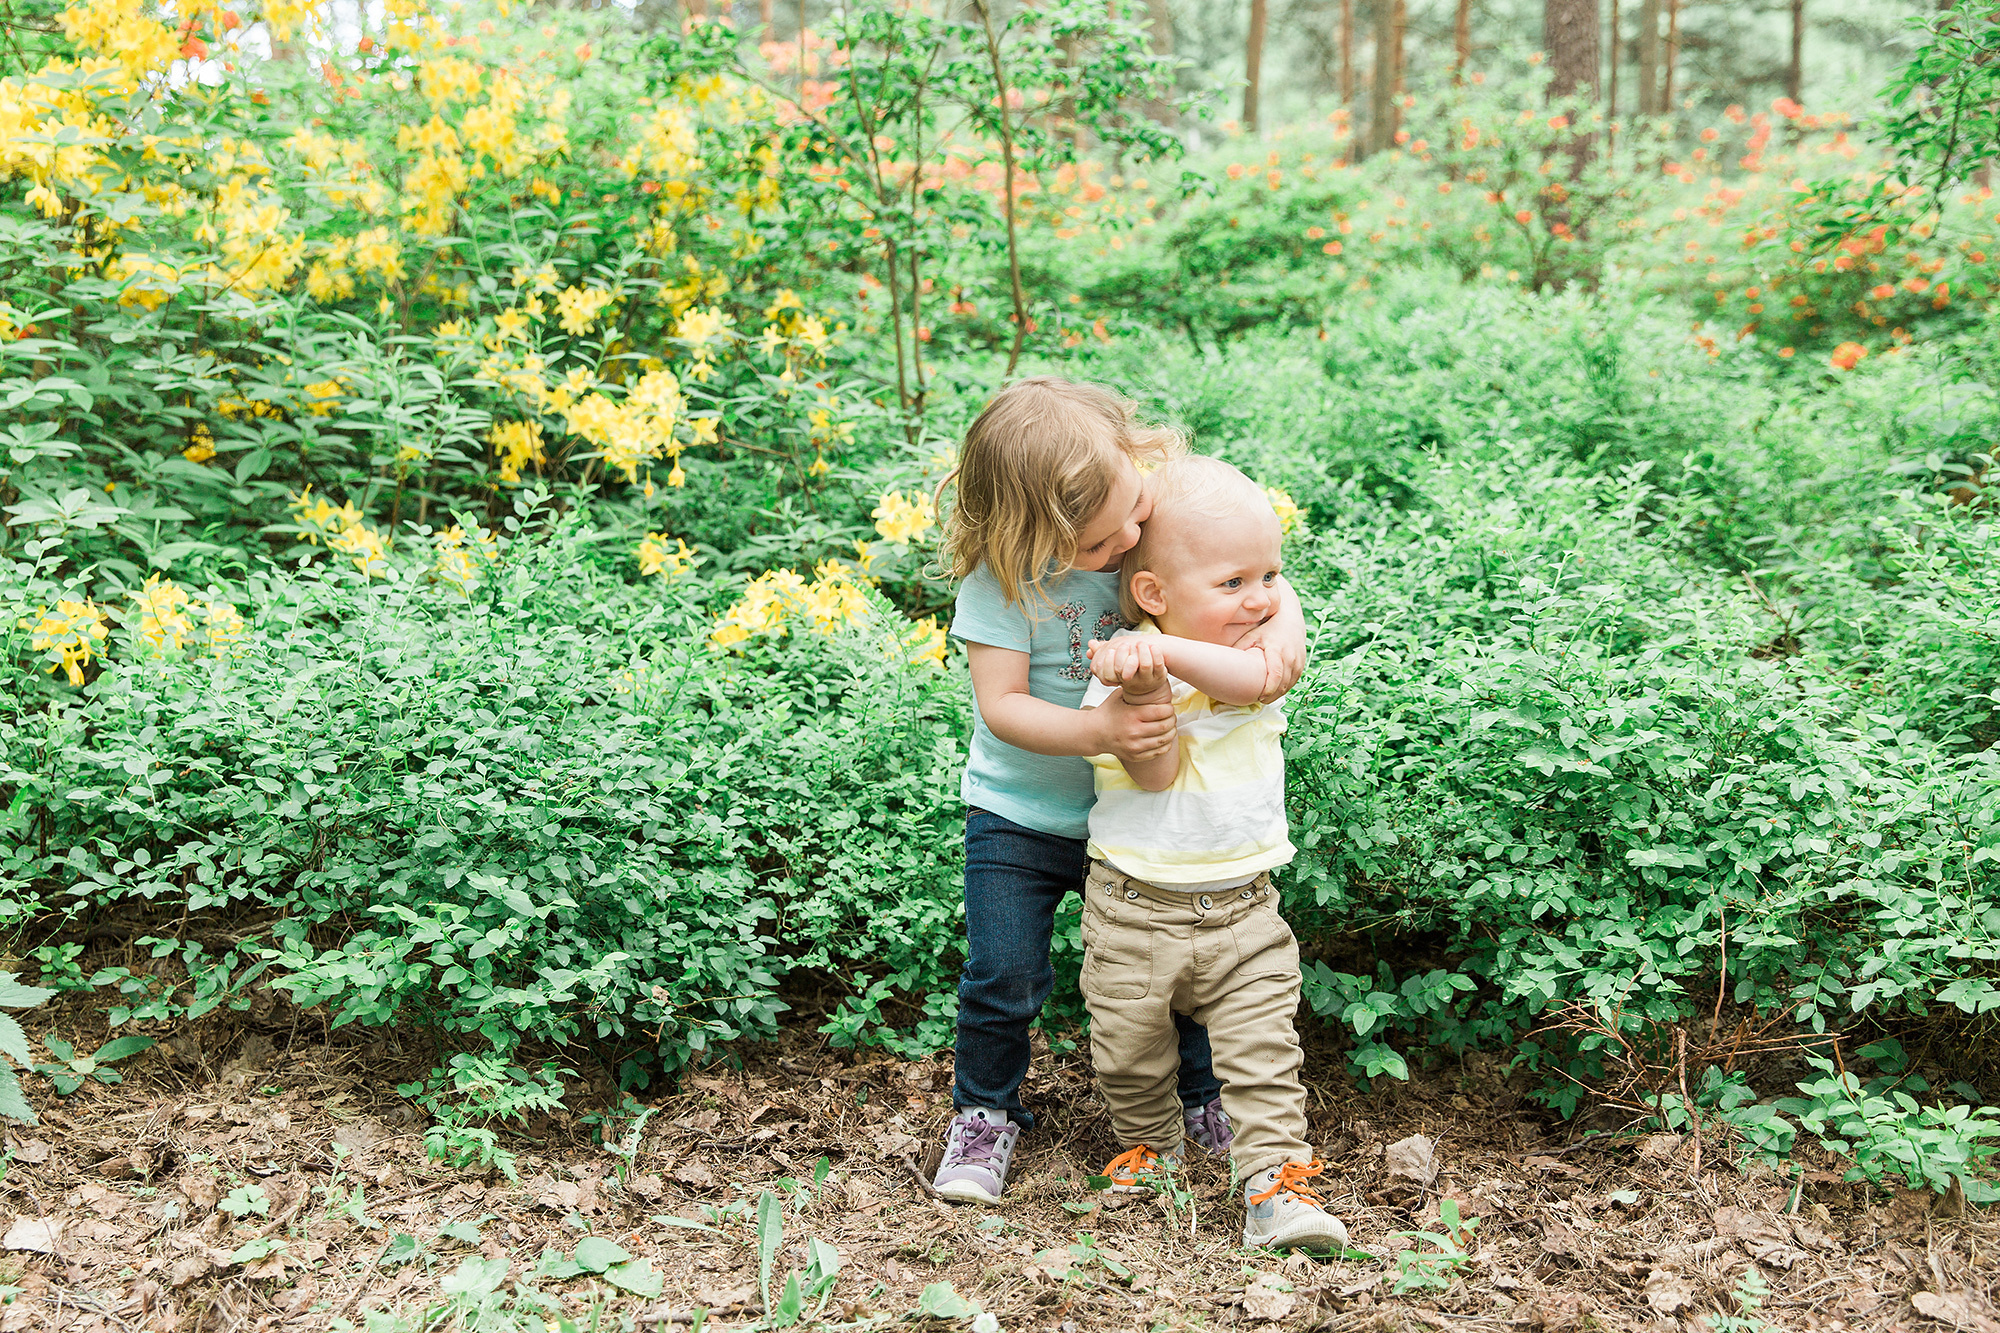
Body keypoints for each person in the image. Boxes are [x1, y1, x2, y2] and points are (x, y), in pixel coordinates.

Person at [931, 378, 1310, 1206]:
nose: (1136, 537)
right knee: (1004, 969)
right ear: (1043, 536)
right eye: (1110, 541)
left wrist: (1280, 625)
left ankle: (1199, 1096)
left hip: (1142, 823)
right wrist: (1099, 733)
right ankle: (985, 1111)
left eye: (1138, 514)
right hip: (1024, 816)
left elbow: (1242, 568)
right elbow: (1002, 708)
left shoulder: (1132, 509)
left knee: (1175, 965)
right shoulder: (1001, 587)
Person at [1078, 453, 1347, 1252]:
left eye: (1270, 573)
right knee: (1128, 1052)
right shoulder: (1123, 669)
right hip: (1132, 910)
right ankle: (1152, 1147)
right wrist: (1141, 686)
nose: (1259, 596)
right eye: (1233, 582)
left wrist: (1170, 651)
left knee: (1267, 1055)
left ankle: (1274, 1186)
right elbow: (1155, 774)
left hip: (1244, 909)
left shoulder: (1255, 650)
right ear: (1155, 594)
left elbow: (1260, 678)